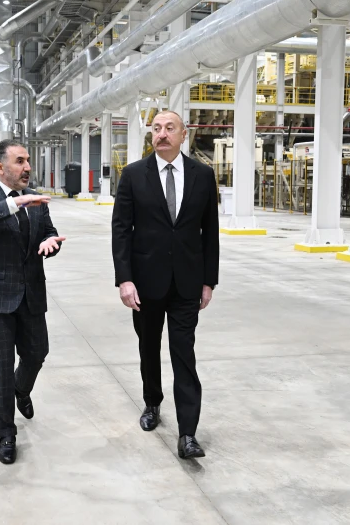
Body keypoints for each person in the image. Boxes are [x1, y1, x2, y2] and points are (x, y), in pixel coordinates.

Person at [111, 110, 219, 460]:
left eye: (169, 128)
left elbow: (210, 233)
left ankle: (188, 433)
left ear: (183, 134)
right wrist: (125, 279)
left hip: (187, 282)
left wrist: (209, 281)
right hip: (145, 282)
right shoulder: (133, 175)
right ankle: (152, 402)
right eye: (156, 128)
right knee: (148, 346)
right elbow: (121, 230)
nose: (161, 133)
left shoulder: (202, 175)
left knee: (184, 354)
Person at [0, 139, 66, 465]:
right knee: (0, 367)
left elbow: (48, 231)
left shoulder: (36, 198)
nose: (27, 167)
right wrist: (13, 204)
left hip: (31, 291)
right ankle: (6, 433)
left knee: (37, 352)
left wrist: (51, 242)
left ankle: (22, 389)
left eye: (28, 161)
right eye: (20, 161)